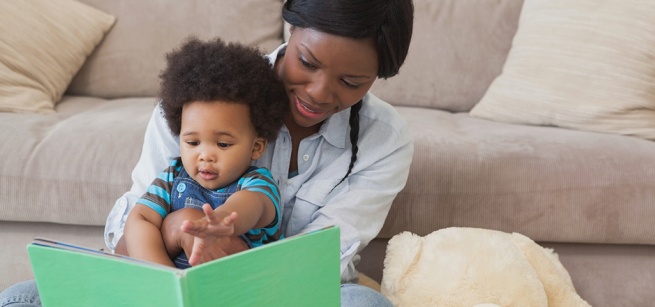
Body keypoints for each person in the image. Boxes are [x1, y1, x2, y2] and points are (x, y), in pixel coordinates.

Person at [0, 0, 415, 305]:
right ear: (290, 28)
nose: (319, 93)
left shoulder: (384, 140)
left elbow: (318, 265)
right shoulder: (201, 98)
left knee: (365, 304)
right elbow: (128, 225)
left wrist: (227, 249)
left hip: (275, 298)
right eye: (307, 62)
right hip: (160, 282)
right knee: (20, 297)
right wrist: (178, 229)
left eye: (351, 81)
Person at [123, 37, 288, 269]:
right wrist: (165, 278)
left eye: (222, 144)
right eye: (192, 142)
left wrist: (225, 220)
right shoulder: (172, 177)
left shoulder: (257, 184)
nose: (205, 155)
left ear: (256, 147)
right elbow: (139, 220)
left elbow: (254, 205)